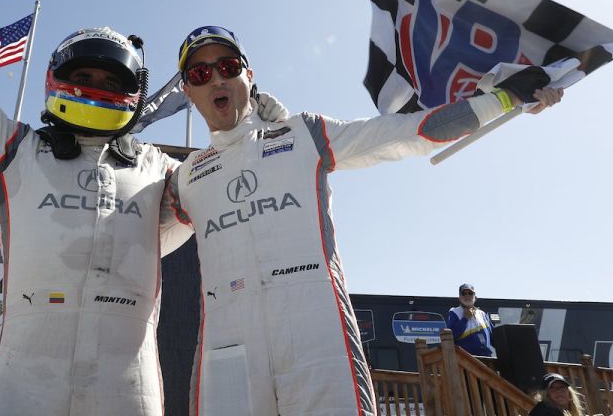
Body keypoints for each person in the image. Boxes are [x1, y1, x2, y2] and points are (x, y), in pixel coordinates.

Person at [0, 0, 288, 415]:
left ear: (133, 93)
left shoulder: (159, 170)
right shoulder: (16, 151)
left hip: (129, 387)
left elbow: (234, 182)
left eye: (111, 82)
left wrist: (257, 134)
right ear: (57, 77)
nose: (96, 89)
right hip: (24, 383)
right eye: (85, 77)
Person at [163, 25, 563, 415]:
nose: (216, 78)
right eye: (200, 73)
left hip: (317, 340)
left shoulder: (304, 134)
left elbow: (411, 132)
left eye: (227, 66)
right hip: (227, 351)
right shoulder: (185, 177)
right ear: (188, 91)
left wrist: (506, 98)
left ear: (248, 75)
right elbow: (136, 235)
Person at [446, 283, 495, 357]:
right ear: (459, 298)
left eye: (470, 293)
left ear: (475, 297)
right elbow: (450, 337)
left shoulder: (482, 314)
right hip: (466, 359)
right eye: (464, 293)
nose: (467, 296)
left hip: (486, 358)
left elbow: (493, 337)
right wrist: (465, 319)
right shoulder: (454, 312)